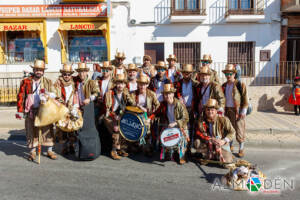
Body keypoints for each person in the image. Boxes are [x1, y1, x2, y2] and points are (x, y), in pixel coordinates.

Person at [16, 60, 57, 161]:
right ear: (33, 70)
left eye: (41, 70)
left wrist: (48, 94)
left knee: (47, 130)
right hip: (30, 110)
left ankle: (49, 150)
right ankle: (32, 152)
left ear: (43, 71)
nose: (39, 72)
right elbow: (21, 96)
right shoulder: (26, 81)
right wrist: (20, 111)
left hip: (44, 111)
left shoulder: (48, 81)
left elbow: (55, 94)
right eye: (37, 69)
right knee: (31, 131)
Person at [150, 83, 189, 164]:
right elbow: (156, 113)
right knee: (163, 136)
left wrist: (175, 123)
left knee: (181, 142)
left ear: (173, 94)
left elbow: (186, 118)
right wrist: (149, 118)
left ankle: (182, 154)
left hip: (180, 127)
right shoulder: (163, 104)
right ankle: (170, 152)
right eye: (165, 94)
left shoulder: (179, 104)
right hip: (168, 126)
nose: (167, 96)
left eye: (169, 94)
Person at [103, 74, 135, 160]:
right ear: (115, 84)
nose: (120, 85)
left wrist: (128, 97)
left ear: (125, 84)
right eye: (118, 83)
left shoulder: (126, 93)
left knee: (125, 127)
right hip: (109, 116)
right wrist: (114, 116)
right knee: (116, 129)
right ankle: (114, 151)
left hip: (120, 116)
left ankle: (121, 149)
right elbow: (107, 109)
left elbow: (133, 104)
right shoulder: (109, 93)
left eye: (122, 83)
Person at [194, 99, 235, 165]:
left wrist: (224, 141)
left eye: (212, 110)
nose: (210, 112)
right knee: (197, 142)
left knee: (227, 163)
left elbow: (232, 132)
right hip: (208, 143)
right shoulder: (201, 120)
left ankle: (217, 155)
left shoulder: (224, 119)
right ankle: (208, 155)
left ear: (216, 111)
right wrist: (209, 139)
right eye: (208, 110)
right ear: (205, 110)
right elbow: (199, 132)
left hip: (221, 143)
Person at [222, 64, 249, 158]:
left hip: (237, 110)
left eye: (230, 73)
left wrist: (243, 110)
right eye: (226, 74)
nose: (228, 75)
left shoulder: (240, 84)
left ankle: (241, 148)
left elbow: (245, 97)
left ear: (234, 74)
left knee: (239, 129)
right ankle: (230, 146)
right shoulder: (224, 86)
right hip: (227, 110)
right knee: (229, 129)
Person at [131, 75, 160, 156]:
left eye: (144, 84)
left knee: (147, 128)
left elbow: (158, 106)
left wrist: (149, 113)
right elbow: (129, 104)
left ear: (147, 85)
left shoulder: (151, 94)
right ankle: (137, 145)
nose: (142, 86)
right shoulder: (133, 94)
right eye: (140, 84)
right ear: (138, 84)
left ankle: (147, 146)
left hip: (148, 116)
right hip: (136, 115)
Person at [54, 63, 79, 155]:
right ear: (62, 74)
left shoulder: (74, 82)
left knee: (72, 128)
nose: (67, 76)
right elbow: (54, 95)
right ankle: (64, 147)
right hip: (61, 109)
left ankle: (71, 145)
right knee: (62, 129)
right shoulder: (58, 83)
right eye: (65, 74)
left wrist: (75, 106)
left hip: (71, 108)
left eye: (69, 74)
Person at [174, 64, 198, 147]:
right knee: (182, 127)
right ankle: (182, 146)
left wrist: (195, 109)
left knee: (191, 128)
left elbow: (198, 97)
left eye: (188, 73)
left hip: (192, 109)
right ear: (182, 73)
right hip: (182, 109)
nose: (186, 74)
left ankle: (189, 146)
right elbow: (175, 95)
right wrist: (179, 97)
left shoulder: (195, 84)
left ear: (191, 73)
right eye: (184, 73)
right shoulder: (178, 83)